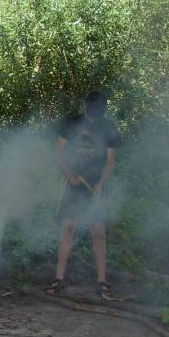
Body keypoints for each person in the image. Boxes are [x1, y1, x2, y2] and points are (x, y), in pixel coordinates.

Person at [50, 90, 123, 301]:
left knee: (98, 231)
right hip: (73, 182)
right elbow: (58, 153)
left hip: (96, 184)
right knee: (68, 228)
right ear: (86, 106)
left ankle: (102, 282)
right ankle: (58, 280)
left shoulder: (109, 127)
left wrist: (100, 184)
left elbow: (110, 161)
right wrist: (69, 175)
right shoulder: (71, 123)